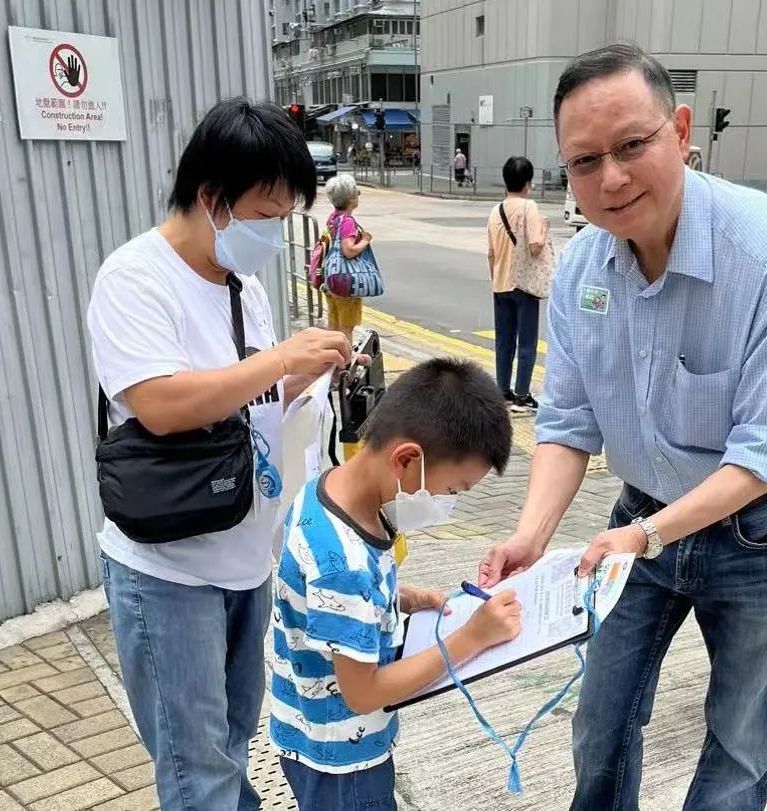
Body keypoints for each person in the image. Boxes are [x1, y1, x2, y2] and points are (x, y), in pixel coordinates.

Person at [479, 43, 767, 811]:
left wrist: (645, 536)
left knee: (741, 742)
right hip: (638, 518)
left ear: (679, 128)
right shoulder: (580, 270)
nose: (611, 178)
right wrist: (532, 535)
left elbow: (766, 452)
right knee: (599, 726)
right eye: (583, 160)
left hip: (759, 529)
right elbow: (568, 423)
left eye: (632, 145)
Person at [87, 98, 354, 810]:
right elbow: (163, 403)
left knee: (232, 743)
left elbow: (244, 400)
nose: (273, 230)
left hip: (243, 558)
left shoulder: (246, 286)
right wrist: (276, 363)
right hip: (169, 570)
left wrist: (309, 369)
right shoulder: (134, 278)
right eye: (265, 213)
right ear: (211, 199)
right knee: (194, 767)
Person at [269, 358, 521, 811]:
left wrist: (401, 598)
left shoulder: (325, 489)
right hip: (345, 761)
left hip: (308, 731)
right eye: (453, 490)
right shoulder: (344, 566)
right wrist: (472, 638)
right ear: (407, 459)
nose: (449, 502)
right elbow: (363, 692)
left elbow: (321, 601)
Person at [487, 156, 550, 412]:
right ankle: (522, 396)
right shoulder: (529, 207)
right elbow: (535, 246)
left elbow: (491, 252)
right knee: (526, 342)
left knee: (504, 341)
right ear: (527, 182)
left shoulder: (495, 210)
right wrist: (544, 229)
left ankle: (503, 391)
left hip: (500, 284)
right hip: (524, 286)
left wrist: (496, 279)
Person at [323, 174, 372, 342]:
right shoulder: (347, 221)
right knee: (346, 327)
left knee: (334, 322)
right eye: (357, 193)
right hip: (345, 280)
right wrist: (365, 240)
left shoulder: (333, 217)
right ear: (351, 198)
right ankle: (343, 362)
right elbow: (349, 250)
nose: (358, 196)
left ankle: (330, 361)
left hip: (330, 276)